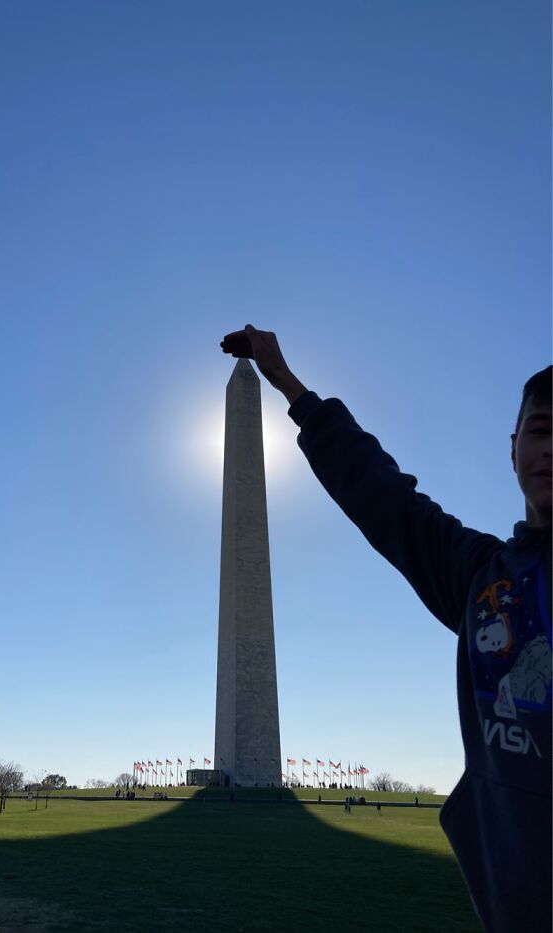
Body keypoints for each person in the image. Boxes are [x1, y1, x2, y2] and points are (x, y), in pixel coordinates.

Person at [221, 326, 551, 933]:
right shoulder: (484, 582)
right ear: (512, 450)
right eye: (542, 430)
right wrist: (289, 384)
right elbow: (383, 496)